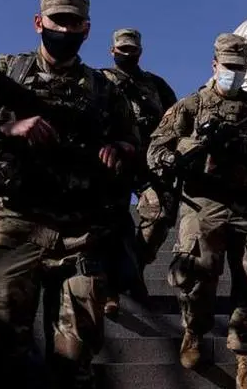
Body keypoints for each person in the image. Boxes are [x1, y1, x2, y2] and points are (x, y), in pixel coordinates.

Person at [0, 0, 139, 388]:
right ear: (39, 23)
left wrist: (122, 150)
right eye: (57, 21)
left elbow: (134, 148)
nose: (64, 29)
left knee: (77, 360)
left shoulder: (106, 91)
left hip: (81, 233)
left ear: (87, 30)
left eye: (74, 22)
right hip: (14, 223)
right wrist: (6, 129)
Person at [147, 33, 247, 387]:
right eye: (229, 67)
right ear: (215, 65)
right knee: (198, 275)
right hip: (204, 203)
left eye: (241, 68)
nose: (235, 73)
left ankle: (245, 359)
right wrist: (188, 152)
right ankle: (194, 332)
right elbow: (155, 150)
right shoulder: (190, 107)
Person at [100, 28, 178, 316]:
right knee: (112, 222)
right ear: (112, 51)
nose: (126, 54)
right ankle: (110, 287)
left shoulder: (156, 86)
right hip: (112, 161)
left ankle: (133, 270)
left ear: (140, 52)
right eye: (122, 50)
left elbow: (175, 121)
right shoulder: (99, 81)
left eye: (131, 50)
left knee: (160, 214)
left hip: (148, 161)